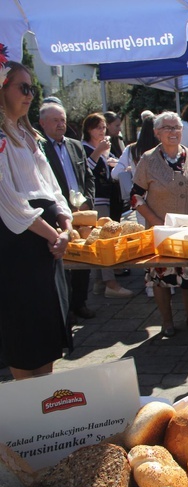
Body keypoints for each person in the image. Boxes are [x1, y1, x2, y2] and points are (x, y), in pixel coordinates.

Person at [0, 61, 73, 380]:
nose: (30, 95)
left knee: (46, 332)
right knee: (25, 334)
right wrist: (51, 234)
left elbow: (52, 187)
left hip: (45, 244)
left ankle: (46, 412)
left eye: (33, 88)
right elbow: (8, 200)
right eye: (23, 87)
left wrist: (65, 222)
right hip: (20, 246)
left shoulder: (28, 136)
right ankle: (32, 420)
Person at [131, 112, 188, 338]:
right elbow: (136, 197)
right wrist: (157, 223)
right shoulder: (148, 159)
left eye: (177, 128)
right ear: (156, 132)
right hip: (160, 231)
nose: (173, 132)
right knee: (160, 277)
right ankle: (167, 322)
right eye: (167, 128)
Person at [38, 102, 96, 321]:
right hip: (56, 215)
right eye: (55, 120)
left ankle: (80, 303)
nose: (61, 124)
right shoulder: (39, 148)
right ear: (42, 123)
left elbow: (88, 177)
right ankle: (66, 308)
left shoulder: (75, 145)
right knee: (63, 263)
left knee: (84, 259)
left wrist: (88, 202)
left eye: (62, 119)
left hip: (80, 212)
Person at [81, 112, 134, 298]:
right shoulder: (84, 148)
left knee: (98, 240)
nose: (102, 131)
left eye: (104, 127)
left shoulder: (104, 148)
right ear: (89, 129)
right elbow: (84, 170)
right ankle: (110, 283)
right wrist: (98, 152)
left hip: (109, 198)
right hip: (95, 200)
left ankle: (99, 282)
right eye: (98, 128)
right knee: (104, 240)